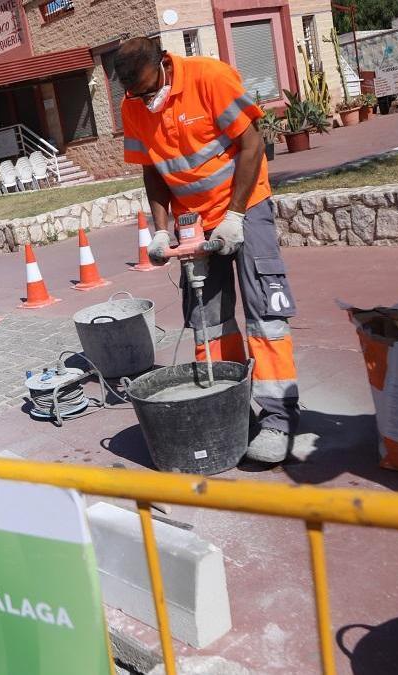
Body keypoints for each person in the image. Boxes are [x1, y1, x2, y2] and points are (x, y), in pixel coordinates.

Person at [116, 37, 299, 464]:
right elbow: (153, 173)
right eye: (136, 95)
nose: (147, 100)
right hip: (192, 221)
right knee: (207, 319)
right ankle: (230, 404)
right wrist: (160, 232)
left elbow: (252, 144)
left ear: (164, 63)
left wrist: (235, 216)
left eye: (149, 89)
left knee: (264, 313)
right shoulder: (133, 107)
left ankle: (279, 417)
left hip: (244, 205)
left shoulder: (209, 77)